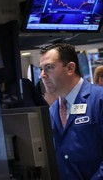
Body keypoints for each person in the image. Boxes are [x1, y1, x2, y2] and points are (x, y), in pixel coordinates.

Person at [39, 43, 103, 180]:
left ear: (70, 68)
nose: (42, 75)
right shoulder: (53, 111)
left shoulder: (99, 99)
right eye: (41, 69)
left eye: (49, 67)